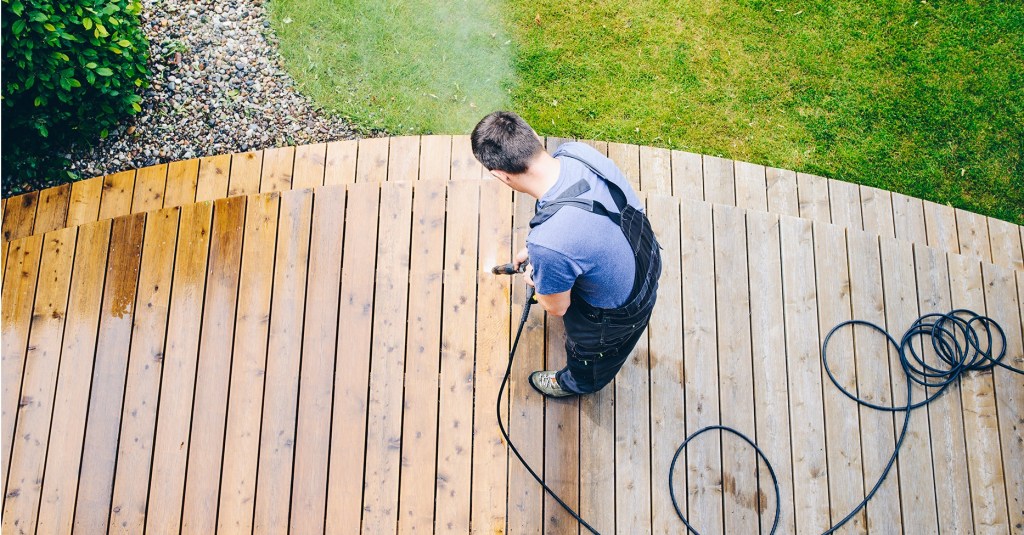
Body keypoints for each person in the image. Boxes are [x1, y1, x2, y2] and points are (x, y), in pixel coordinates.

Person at [471, 111, 662, 397]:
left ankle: (577, 383)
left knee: (593, 358)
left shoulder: (549, 243)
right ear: (533, 134)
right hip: (645, 255)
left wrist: (541, 274)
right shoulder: (576, 153)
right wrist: (547, 253)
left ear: (500, 176)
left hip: (620, 314)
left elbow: (557, 308)